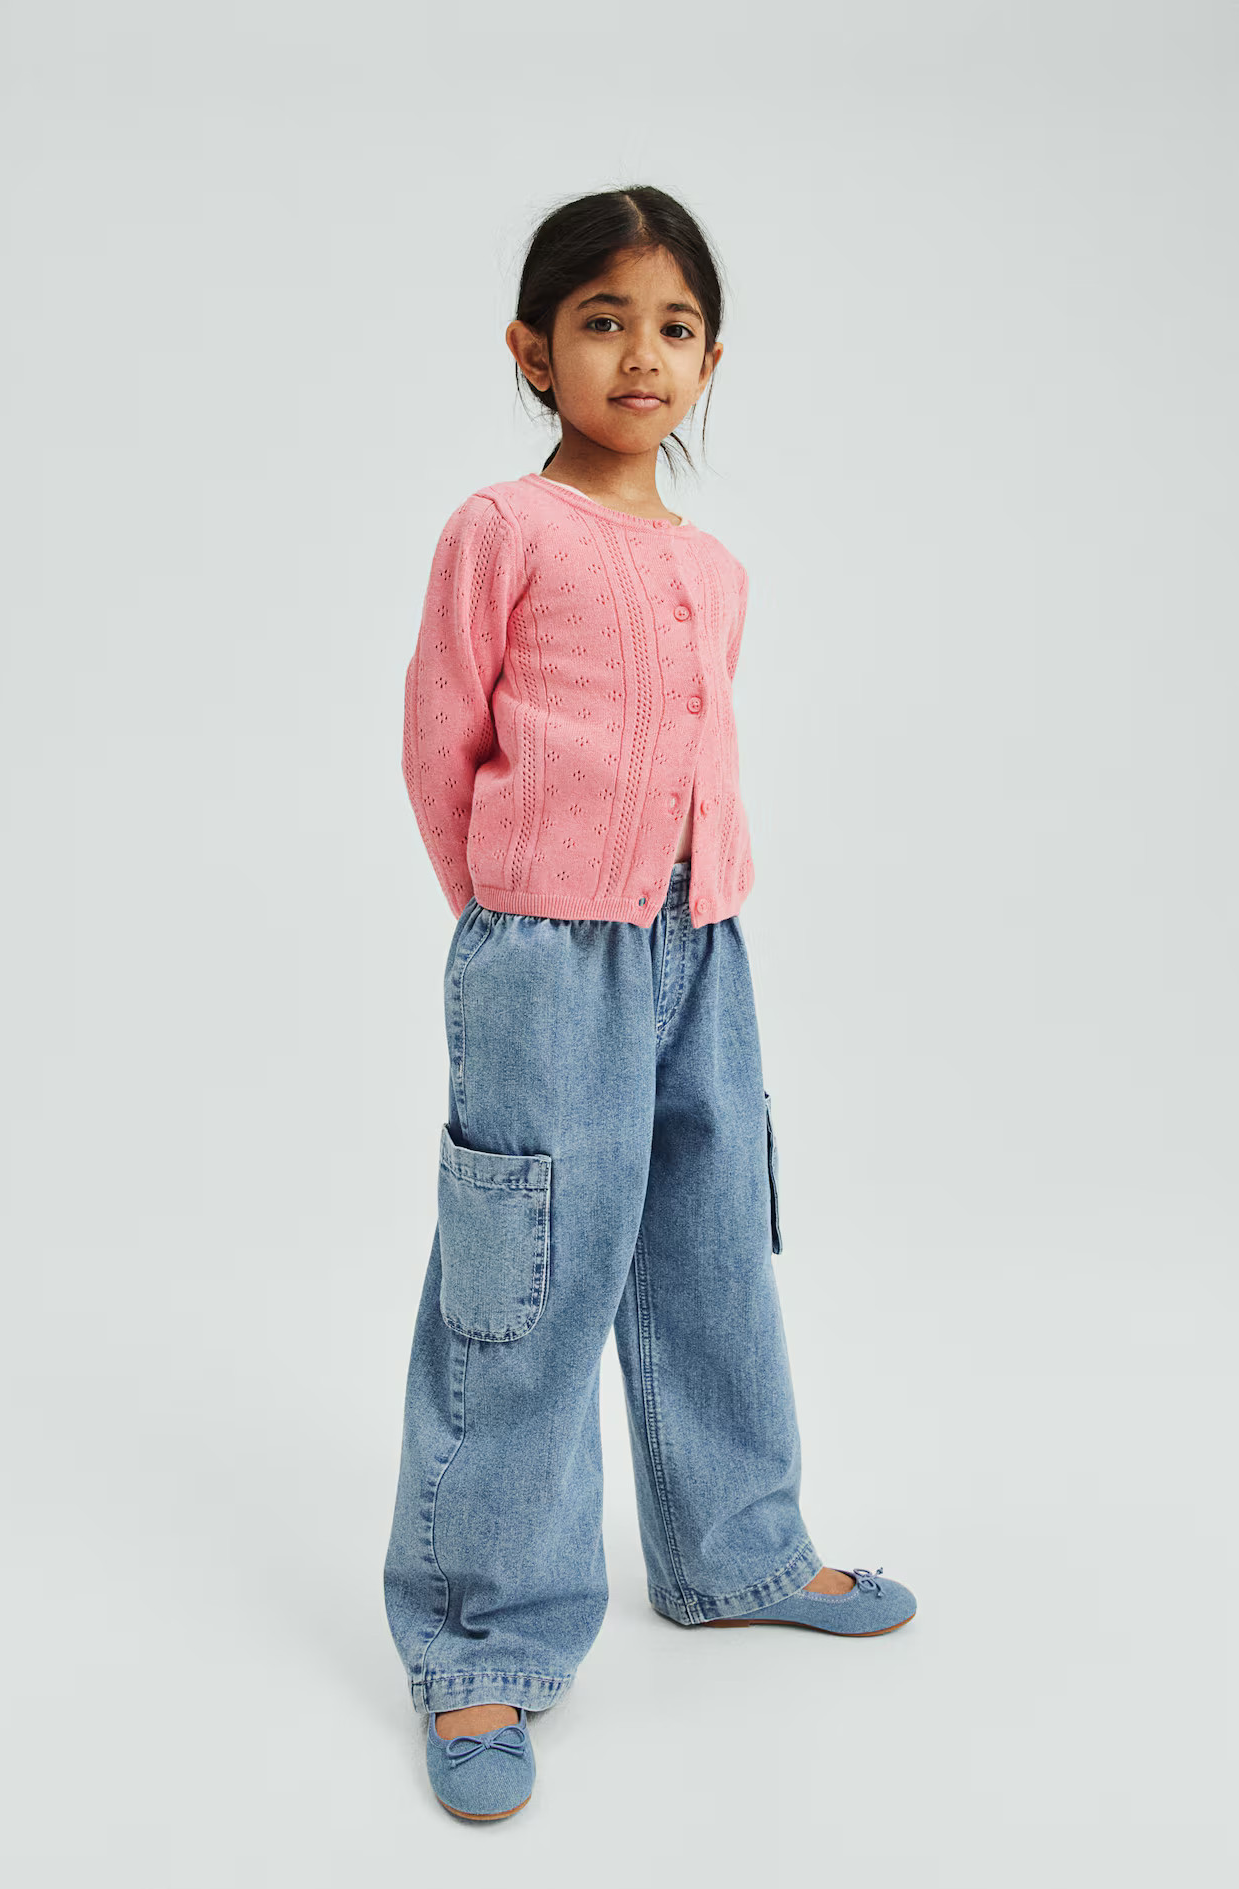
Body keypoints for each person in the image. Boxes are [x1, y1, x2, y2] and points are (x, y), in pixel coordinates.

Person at [383, 185, 917, 1823]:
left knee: (711, 1243)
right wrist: (509, 919)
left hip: (708, 944)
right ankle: (479, 1639)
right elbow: (441, 739)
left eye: (673, 326)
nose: (640, 353)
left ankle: (734, 1546)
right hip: (549, 953)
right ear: (533, 350)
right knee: (526, 1279)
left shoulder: (714, 566)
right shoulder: (502, 528)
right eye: (602, 320)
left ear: (712, 361)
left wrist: (682, 912)